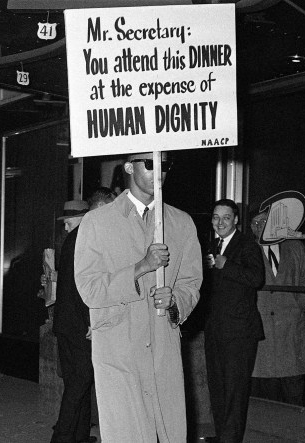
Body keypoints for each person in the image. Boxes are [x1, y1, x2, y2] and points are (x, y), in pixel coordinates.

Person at [74, 153, 202, 442]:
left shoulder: (181, 223)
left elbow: (192, 283)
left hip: (162, 346)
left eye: (165, 164)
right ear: (129, 168)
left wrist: (174, 301)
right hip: (118, 347)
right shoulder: (97, 222)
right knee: (126, 433)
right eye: (150, 163)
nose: (160, 171)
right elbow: (88, 288)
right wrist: (140, 268)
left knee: (170, 430)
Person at [51, 190, 114, 443]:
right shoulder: (84, 238)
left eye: (68, 219)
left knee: (80, 383)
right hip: (80, 325)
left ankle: (79, 436)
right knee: (78, 386)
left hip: (67, 324)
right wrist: (91, 320)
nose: (65, 224)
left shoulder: (73, 240)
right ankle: (62, 437)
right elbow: (82, 285)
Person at [204, 199, 265, 443]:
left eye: (226, 217)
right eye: (216, 217)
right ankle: (222, 436)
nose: (220, 222)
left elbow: (256, 278)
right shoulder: (211, 245)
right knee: (217, 388)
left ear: (236, 220)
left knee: (234, 391)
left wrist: (226, 264)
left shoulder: (247, 244)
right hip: (215, 329)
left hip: (240, 332)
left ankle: (230, 439)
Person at [250, 209, 305, 405]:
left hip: (291, 338)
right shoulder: (248, 249)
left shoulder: (296, 248)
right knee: (263, 406)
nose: (261, 226)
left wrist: (297, 309)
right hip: (261, 342)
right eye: (256, 223)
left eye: (265, 222)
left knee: (294, 401)